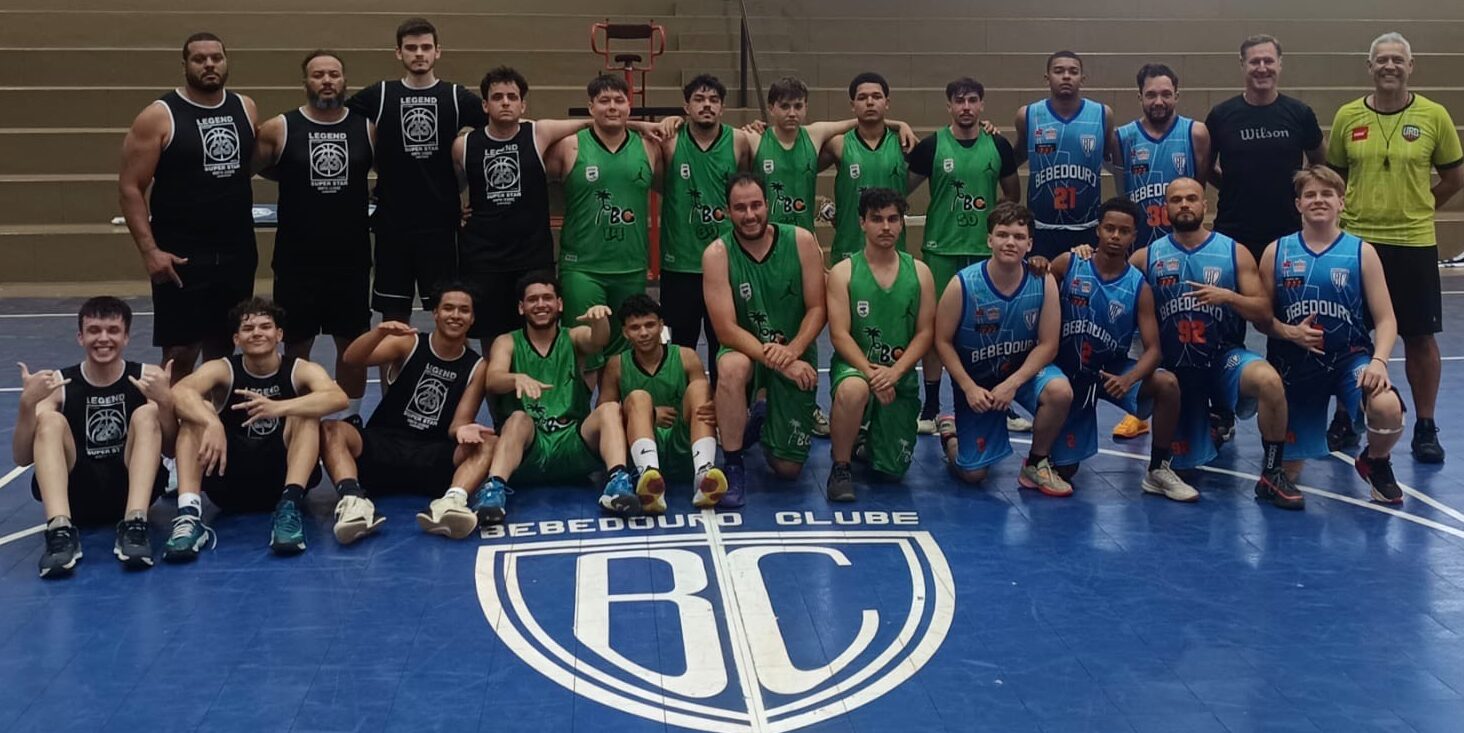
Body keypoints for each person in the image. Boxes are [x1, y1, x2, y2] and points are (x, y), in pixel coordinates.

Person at [454, 67, 663, 354]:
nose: (505, 102)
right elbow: (448, 186)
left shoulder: (538, 134)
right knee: (497, 341)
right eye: (497, 97)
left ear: (523, 105)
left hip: (537, 255)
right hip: (493, 257)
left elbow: (602, 121)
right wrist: (456, 211)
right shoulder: (464, 146)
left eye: (512, 97)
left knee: (560, 338)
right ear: (484, 104)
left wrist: (640, 126)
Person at [1326, 32, 1463, 463]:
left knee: (1420, 336)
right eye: (1381, 60)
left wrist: (1420, 207)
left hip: (1413, 243)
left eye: (1397, 60)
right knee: (1350, 337)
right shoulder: (1347, 116)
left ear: (1410, 66)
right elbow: (1335, 180)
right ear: (1370, 67)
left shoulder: (1434, 116)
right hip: (1357, 244)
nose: (1389, 66)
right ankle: (1346, 415)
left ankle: (1425, 426)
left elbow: (1454, 178)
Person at [1137, 178, 1303, 509]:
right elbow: (1107, 278)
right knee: (1185, 466)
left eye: (1191, 198)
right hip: (1174, 368)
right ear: (1165, 209)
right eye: (1176, 200)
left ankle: (1272, 472)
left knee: (1269, 381)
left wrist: (1229, 297)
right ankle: (1204, 427)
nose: (1184, 204)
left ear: (1205, 205)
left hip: (1223, 359)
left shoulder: (1233, 251)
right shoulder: (1146, 257)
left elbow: (1263, 310)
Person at [1259, 165, 1406, 502]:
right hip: (1294, 364)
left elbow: (1386, 319)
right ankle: (1280, 458)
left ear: (1342, 202)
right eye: (1310, 194)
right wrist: (1289, 332)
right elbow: (1262, 320)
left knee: (1387, 406)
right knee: (1287, 474)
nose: (1318, 200)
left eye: (1327, 194)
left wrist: (1379, 361)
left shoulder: (1361, 252)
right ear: (1298, 204)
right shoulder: (1276, 252)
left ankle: (1376, 461)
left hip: (1348, 359)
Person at [118, 32, 258, 382]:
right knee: (180, 353)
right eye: (199, 59)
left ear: (226, 62)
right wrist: (150, 251)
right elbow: (131, 188)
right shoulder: (158, 116)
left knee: (224, 348)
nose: (209, 64)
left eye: (216, 57)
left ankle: (213, 415)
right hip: (181, 255)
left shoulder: (245, 107)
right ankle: (173, 418)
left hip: (236, 251)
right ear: (185, 65)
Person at [164, 298, 348, 561]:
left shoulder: (300, 369)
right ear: (237, 339)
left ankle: (289, 507)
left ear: (279, 335)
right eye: (248, 328)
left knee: (306, 410)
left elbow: (338, 397)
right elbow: (180, 392)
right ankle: (189, 515)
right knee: (196, 414)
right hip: (228, 481)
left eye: (265, 326)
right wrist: (211, 421)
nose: (257, 333)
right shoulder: (222, 369)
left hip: (280, 479)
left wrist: (279, 407)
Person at [319, 283, 495, 542]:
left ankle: (452, 502)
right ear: (435, 313)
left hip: (432, 457)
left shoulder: (477, 366)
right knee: (331, 428)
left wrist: (464, 429)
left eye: (464, 310)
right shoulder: (409, 343)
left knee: (488, 442)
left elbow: (458, 423)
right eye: (448, 308)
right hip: (383, 445)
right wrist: (378, 332)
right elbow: (352, 359)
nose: (455, 315)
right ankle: (353, 501)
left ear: (472, 318)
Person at [12, 298, 175, 577]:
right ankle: (60, 529)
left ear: (126, 337)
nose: (103, 338)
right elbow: (22, 457)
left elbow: (170, 449)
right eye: (94, 330)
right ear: (80, 337)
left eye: (113, 330)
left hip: (130, 488)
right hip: (77, 495)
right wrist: (27, 405)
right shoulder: (60, 384)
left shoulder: (147, 377)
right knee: (49, 420)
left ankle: (135, 525)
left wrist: (166, 403)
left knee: (148, 414)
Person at [1046, 199, 1197, 501]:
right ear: (1098, 230)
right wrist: (1038, 262)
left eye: (1124, 231)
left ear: (1134, 236)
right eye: (1110, 228)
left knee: (1167, 383)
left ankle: (1158, 468)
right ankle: (1040, 455)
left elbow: (1153, 350)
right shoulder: (1068, 264)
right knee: (1065, 470)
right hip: (1067, 371)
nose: (1115, 236)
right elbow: (1033, 287)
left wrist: (1130, 379)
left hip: (1110, 371)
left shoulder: (1139, 286)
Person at [253, 50, 373, 424]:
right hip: (297, 259)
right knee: (296, 344)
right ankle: (298, 419)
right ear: (305, 81)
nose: (326, 81)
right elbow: (250, 168)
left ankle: (348, 420)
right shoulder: (280, 128)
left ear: (344, 80)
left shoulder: (367, 128)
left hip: (350, 258)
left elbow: (403, 174)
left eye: (333, 74)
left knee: (352, 347)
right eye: (318, 74)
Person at [347, 17, 486, 322]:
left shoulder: (456, 96)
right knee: (393, 316)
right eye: (411, 48)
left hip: (441, 225)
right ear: (399, 53)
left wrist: (478, 198)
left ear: (438, 51)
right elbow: (337, 125)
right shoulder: (379, 95)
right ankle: (396, 359)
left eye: (425, 47)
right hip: (392, 223)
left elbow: (501, 133)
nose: (419, 53)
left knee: (448, 311)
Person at [703, 173, 827, 507]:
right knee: (730, 367)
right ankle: (733, 465)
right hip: (746, 348)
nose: (750, 214)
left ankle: (760, 417)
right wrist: (780, 362)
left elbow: (818, 308)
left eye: (756, 205)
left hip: (794, 348)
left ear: (767, 205)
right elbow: (726, 330)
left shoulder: (801, 241)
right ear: (728, 211)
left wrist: (793, 351)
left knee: (787, 469)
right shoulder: (717, 253)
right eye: (740, 208)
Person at [905, 76, 1020, 435]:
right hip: (941, 250)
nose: (966, 107)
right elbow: (899, 189)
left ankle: (999, 400)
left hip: (983, 253)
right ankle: (931, 407)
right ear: (949, 106)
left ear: (982, 104)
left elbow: (1012, 197)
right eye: (959, 101)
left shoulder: (997, 145)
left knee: (989, 329)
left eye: (972, 100)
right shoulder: (931, 146)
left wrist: (996, 230)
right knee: (936, 330)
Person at [934, 202, 1074, 495]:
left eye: (1019, 237)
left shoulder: (1043, 280)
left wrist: (1011, 384)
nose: (1010, 242)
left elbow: (1048, 344)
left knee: (1060, 391)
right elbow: (942, 341)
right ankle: (951, 436)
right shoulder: (963, 284)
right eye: (1002, 235)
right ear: (989, 240)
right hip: (978, 383)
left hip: (1021, 374)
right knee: (973, 474)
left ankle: (1036, 463)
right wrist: (968, 388)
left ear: (1030, 244)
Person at [475, 272, 636, 524]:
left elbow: (598, 340)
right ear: (521, 307)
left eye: (547, 298)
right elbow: (493, 379)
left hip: (574, 445)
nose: (541, 304)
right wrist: (515, 378)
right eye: (533, 299)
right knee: (518, 418)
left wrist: (599, 320)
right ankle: (494, 489)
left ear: (559, 304)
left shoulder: (573, 337)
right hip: (528, 452)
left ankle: (618, 481)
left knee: (609, 409)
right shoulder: (507, 342)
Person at [1108, 63, 1212, 440]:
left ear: (1177, 95)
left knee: (1190, 326)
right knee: (1142, 332)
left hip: (1185, 249)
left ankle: (1203, 406)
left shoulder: (1195, 133)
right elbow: (1121, 187)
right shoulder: (1121, 137)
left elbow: (1198, 188)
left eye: (1166, 94)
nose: (1159, 100)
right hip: (1141, 252)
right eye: (1151, 94)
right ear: (1139, 97)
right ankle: (1142, 411)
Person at [544, 74, 662, 376]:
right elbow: (526, 147)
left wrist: (640, 127)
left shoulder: (649, 147)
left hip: (630, 267)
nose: (612, 107)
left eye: (619, 100)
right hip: (583, 268)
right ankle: (578, 407)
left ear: (629, 106)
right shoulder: (569, 146)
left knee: (623, 355)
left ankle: (613, 406)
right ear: (590, 107)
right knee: (584, 350)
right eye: (604, 101)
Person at [824, 189, 935, 501]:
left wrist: (895, 372)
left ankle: (864, 443)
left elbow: (925, 332)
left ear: (901, 223)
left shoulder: (921, 273)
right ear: (862, 223)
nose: (886, 227)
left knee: (891, 471)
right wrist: (872, 373)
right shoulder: (843, 272)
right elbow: (839, 334)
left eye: (892, 219)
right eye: (876, 219)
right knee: (853, 390)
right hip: (856, 367)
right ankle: (841, 466)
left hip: (898, 375)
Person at [656, 75, 753, 377]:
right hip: (679, 263)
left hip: (725, 263)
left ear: (722, 107)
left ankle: (721, 400)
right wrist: (666, 122)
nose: (707, 105)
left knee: (723, 343)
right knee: (677, 342)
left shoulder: (738, 141)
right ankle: (680, 399)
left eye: (713, 100)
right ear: (686, 106)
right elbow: (659, 183)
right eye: (699, 99)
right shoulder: (670, 141)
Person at [600, 294, 727, 512]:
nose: (644, 333)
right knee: (638, 397)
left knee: (700, 388)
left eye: (650, 325)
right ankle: (649, 476)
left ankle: (704, 473)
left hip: (683, 446)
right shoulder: (617, 366)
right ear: (625, 332)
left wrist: (713, 405)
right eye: (635, 327)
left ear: (661, 325)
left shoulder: (686, 357)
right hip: (638, 449)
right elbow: (606, 417)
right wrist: (649, 414)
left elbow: (704, 407)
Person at [1205, 34, 1325, 263]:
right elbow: (1206, 167)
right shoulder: (1221, 115)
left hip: (1287, 230)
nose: (1262, 68)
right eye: (1254, 62)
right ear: (1242, 64)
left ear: (1280, 64)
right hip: (1233, 230)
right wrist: (1233, 185)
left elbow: (1319, 160)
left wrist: (1296, 189)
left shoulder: (1300, 113)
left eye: (1268, 61)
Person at [748, 76, 917, 234]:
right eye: (785, 106)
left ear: (806, 107)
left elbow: (862, 120)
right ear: (771, 109)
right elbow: (860, 120)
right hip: (764, 235)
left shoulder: (815, 134)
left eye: (798, 106)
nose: (792, 113)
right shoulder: (754, 138)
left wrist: (900, 124)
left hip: (804, 236)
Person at [1014, 51, 1115, 260]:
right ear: (1047, 78)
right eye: (1059, 71)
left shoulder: (1102, 114)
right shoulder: (1028, 114)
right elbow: (1015, 157)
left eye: (1073, 71)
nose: (1066, 76)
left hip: (1087, 226)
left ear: (1082, 79)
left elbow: (1111, 158)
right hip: (1041, 227)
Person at [823, 72, 910, 263]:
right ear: (852, 105)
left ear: (887, 102)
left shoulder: (904, 142)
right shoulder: (838, 144)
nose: (870, 102)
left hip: (893, 249)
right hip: (848, 248)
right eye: (862, 98)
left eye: (876, 97)